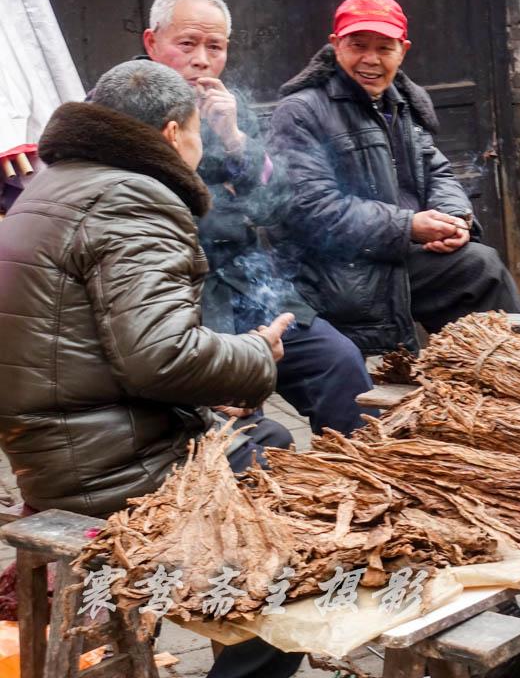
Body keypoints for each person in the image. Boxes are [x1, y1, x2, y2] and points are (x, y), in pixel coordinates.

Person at [0, 60, 304, 678]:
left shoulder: (52, 186)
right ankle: (253, 649)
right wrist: (253, 355)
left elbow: (97, 347)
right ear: (171, 133)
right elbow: (159, 356)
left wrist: (208, 388)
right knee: (283, 490)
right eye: (197, 132)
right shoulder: (133, 198)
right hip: (109, 474)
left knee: (251, 438)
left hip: (50, 456)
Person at [142, 0, 374, 434]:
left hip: (249, 283)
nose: (202, 60)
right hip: (182, 299)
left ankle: (370, 473)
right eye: (186, 44)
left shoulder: (226, 106)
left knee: (338, 362)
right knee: (245, 419)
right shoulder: (121, 102)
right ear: (152, 43)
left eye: (216, 47)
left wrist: (234, 138)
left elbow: (277, 205)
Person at [269, 0, 520, 354]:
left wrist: (455, 219)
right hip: (336, 266)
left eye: (384, 48)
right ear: (335, 45)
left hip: (396, 253)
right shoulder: (301, 112)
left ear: (403, 50)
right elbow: (312, 210)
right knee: (478, 271)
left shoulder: (400, 104)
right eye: (358, 46)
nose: (370, 60)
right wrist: (408, 227)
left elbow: (437, 172)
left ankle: (504, 376)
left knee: (480, 268)